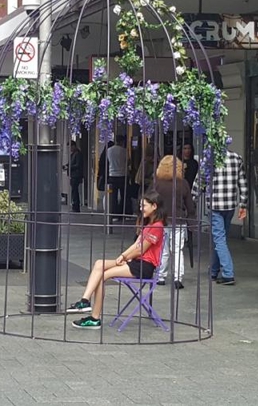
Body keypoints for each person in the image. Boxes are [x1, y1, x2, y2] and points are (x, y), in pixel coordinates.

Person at [66, 191, 166, 329]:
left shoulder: (157, 227)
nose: (141, 208)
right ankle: (84, 300)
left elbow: (140, 249)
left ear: (154, 206)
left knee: (103, 275)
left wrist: (125, 257)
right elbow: (136, 245)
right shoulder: (149, 225)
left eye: (144, 205)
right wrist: (123, 256)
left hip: (144, 266)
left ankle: (94, 318)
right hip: (136, 262)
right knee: (99, 264)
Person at [194, 148, 248, 286]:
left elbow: (199, 183)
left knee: (219, 239)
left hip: (215, 205)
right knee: (221, 239)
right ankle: (213, 270)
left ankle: (228, 274)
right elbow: (243, 183)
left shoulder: (208, 160)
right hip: (230, 205)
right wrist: (243, 204)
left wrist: (192, 200)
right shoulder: (237, 157)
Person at [153, 156, 196, 289]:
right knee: (177, 250)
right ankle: (177, 278)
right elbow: (190, 206)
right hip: (178, 220)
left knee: (163, 249)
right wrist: (191, 221)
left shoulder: (157, 184)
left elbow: (149, 201)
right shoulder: (183, 184)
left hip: (162, 220)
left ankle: (161, 276)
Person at [107, 135, 131, 219]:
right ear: (122, 141)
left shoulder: (109, 150)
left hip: (112, 175)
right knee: (125, 195)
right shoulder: (124, 151)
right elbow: (128, 162)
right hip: (123, 175)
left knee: (113, 196)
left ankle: (114, 215)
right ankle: (126, 213)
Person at [68, 141, 83, 213]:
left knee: (75, 191)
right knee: (74, 191)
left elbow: (77, 164)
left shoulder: (77, 154)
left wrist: (69, 167)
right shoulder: (73, 154)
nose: (70, 149)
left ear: (73, 146)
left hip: (76, 175)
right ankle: (75, 206)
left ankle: (76, 207)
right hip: (73, 174)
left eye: (70, 147)